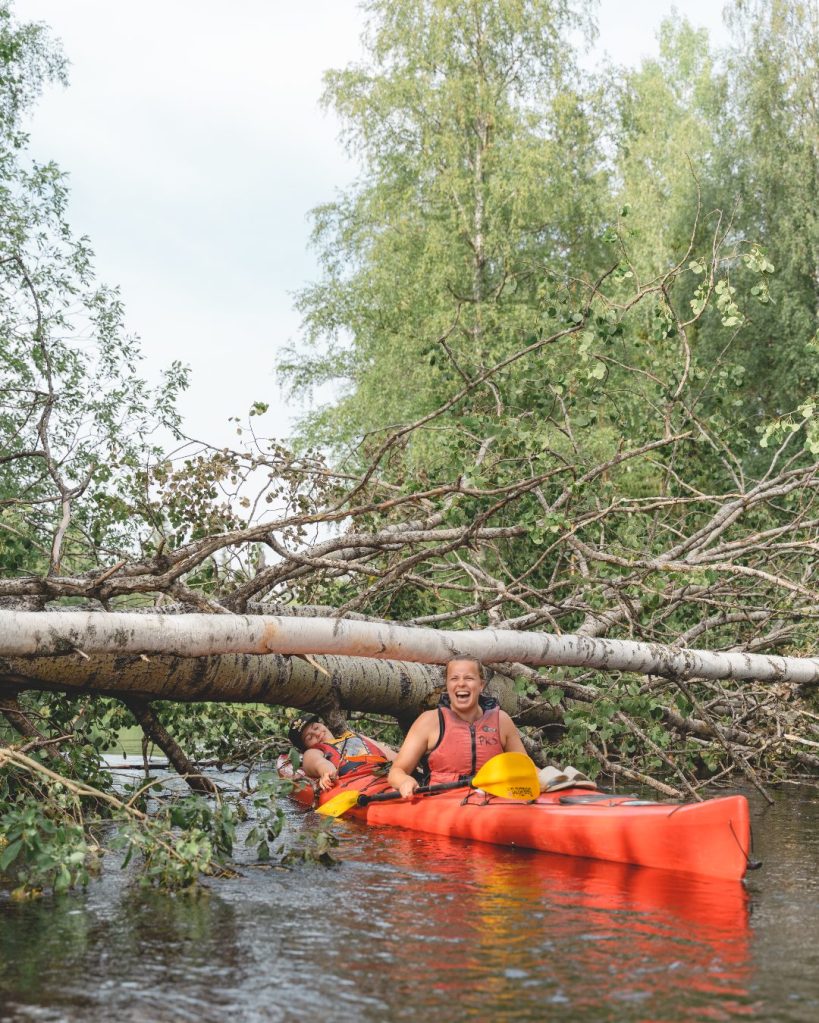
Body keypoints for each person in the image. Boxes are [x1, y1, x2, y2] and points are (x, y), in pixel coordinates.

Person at [387, 656, 529, 799]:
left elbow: (526, 770)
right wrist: (404, 781)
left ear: (481, 685)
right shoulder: (428, 721)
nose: (461, 683)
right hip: (442, 802)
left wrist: (547, 777)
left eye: (469, 678)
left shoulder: (501, 721)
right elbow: (397, 771)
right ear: (447, 685)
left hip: (492, 802)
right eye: (454, 678)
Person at [288, 715, 397, 792]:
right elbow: (319, 763)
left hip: (387, 774)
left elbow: (394, 757)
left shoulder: (356, 736)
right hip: (360, 783)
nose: (317, 733)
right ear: (305, 747)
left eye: (316, 727)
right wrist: (327, 773)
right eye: (309, 737)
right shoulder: (312, 752)